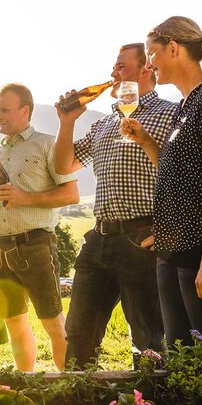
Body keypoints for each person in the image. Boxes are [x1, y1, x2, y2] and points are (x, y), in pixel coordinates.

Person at [122, 16, 202, 349]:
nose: (149, 64)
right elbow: (177, 175)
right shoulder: (185, 105)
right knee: (182, 360)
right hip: (174, 254)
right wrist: (146, 141)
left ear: (173, 49)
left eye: (152, 54)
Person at [53, 43, 177, 369]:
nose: (113, 74)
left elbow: (187, 174)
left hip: (143, 237)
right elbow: (63, 164)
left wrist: (168, 226)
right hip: (99, 240)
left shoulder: (169, 114)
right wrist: (67, 122)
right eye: (114, 67)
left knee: (149, 340)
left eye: (121, 67)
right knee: (78, 334)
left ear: (146, 69)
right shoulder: (104, 124)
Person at [0, 83, 80, 372]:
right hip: (1, 248)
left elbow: (71, 194)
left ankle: (68, 387)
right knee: (15, 323)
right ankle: (23, 384)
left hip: (35, 244)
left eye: (5, 109)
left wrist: (25, 198)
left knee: (53, 322)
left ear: (25, 110)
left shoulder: (47, 144)